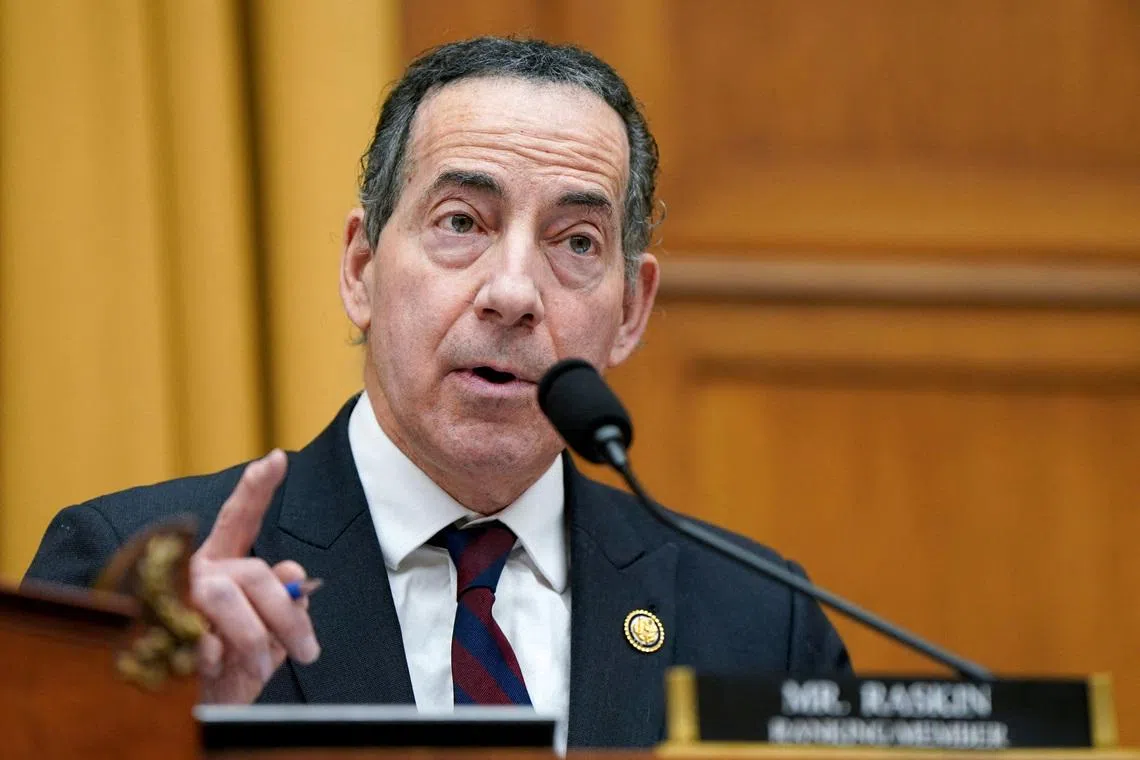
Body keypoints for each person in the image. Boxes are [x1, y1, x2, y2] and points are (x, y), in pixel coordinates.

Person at [25, 37, 849, 747]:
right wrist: (159, 726)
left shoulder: (758, 622)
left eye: (576, 242)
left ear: (631, 309)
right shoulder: (137, 586)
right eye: (462, 222)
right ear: (361, 268)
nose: (513, 293)